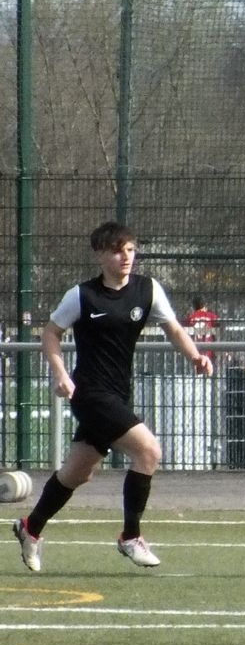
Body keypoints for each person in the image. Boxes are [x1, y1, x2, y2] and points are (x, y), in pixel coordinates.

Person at [11, 221, 215, 572]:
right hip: (89, 393)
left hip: (119, 393)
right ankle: (130, 537)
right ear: (100, 255)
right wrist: (60, 374)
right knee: (148, 451)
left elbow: (173, 328)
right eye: (118, 251)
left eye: (131, 250)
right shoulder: (82, 295)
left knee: (78, 473)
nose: (126, 257)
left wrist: (195, 356)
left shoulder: (148, 290)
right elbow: (50, 332)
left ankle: (30, 527)